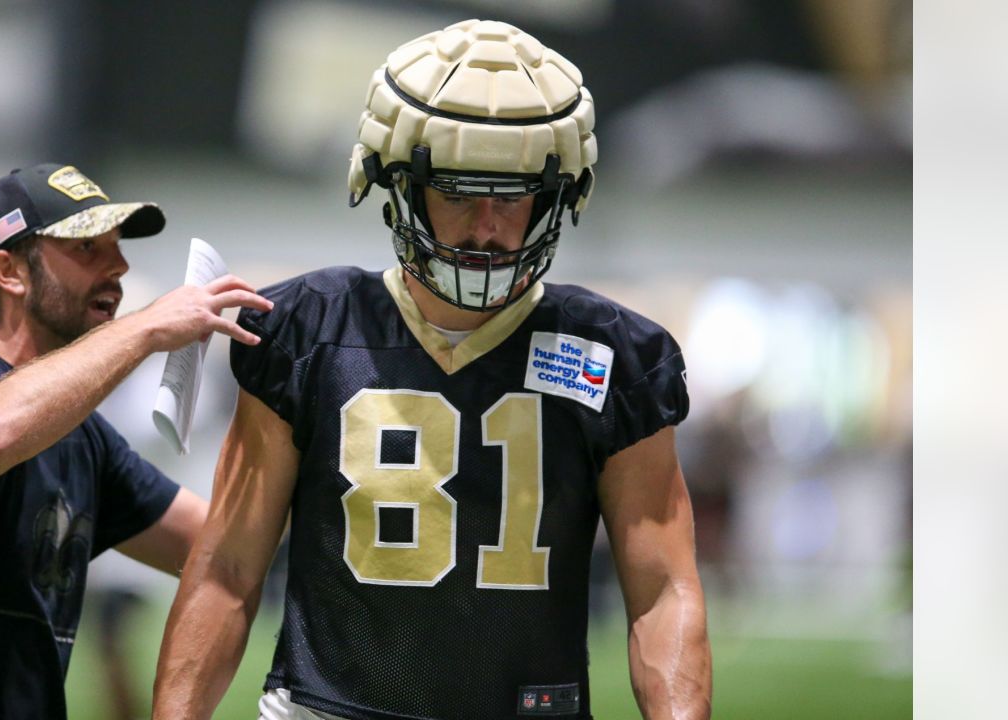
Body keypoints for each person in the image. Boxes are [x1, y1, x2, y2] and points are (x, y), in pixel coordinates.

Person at [152, 18, 711, 720]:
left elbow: (663, 589)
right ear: (397, 185)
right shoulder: (310, 332)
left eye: (512, 195)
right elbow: (228, 569)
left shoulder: (613, 355)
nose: (486, 225)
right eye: (456, 191)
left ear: (559, 193)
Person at [0, 162, 272, 719]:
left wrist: (292, 418)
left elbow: (218, 545)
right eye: (88, 247)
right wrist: (145, 327)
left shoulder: (86, 436)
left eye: (116, 247)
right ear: (10, 271)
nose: (118, 266)